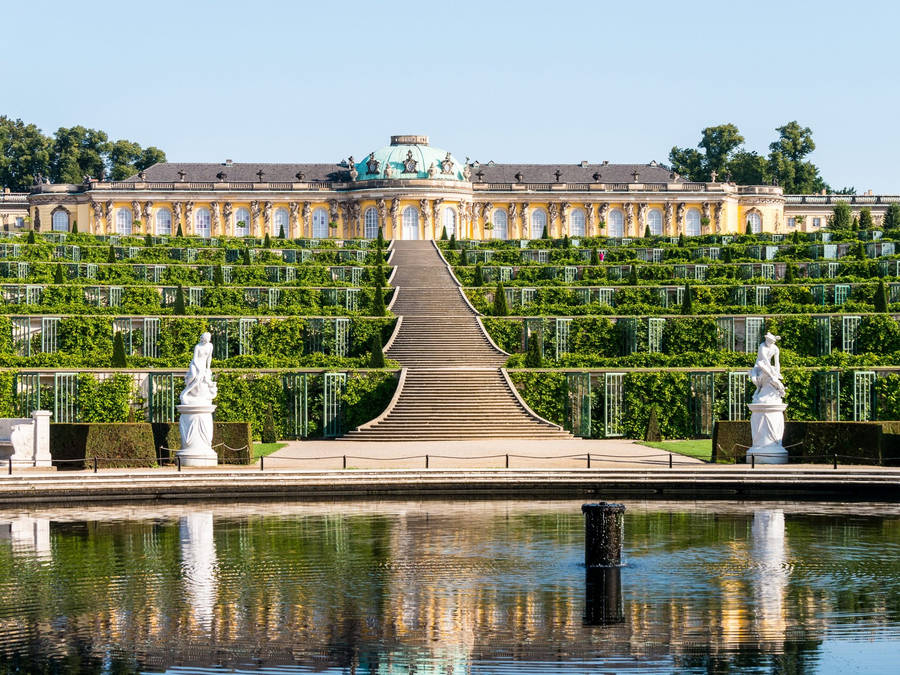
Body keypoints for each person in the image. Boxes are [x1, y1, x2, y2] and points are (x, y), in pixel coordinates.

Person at [180, 332, 217, 404]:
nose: (208, 340)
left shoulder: (210, 346)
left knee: (199, 378)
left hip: (203, 365)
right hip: (195, 364)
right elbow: (195, 359)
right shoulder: (198, 346)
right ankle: (187, 389)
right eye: (206, 338)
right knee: (194, 376)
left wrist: (208, 368)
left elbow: (209, 357)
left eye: (209, 338)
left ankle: (185, 392)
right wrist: (199, 368)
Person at [749, 332, 785, 403]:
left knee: (773, 370)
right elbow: (764, 359)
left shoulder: (775, 349)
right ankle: (759, 388)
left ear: (773, 342)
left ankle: (775, 381)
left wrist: (777, 372)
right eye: (767, 340)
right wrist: (772, 370)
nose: (767, 342)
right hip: (759, 366)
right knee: (754, 379)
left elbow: (777, 362)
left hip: (767, 367)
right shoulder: (762, 346)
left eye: (769, 341)